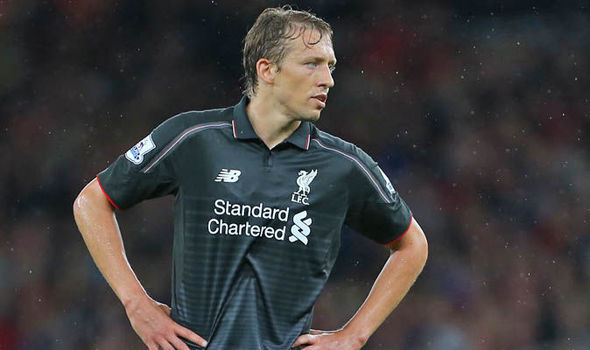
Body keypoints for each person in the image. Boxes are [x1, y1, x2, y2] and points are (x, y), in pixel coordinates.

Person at [73, 6, 428, 350]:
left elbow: (412, 245)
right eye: (312, 63)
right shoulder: (194, 138)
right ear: (267, 70)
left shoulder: (344, 165)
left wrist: (355, 335)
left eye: (331, 66)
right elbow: (92, 202)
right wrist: (136, 304)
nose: (329, 79)